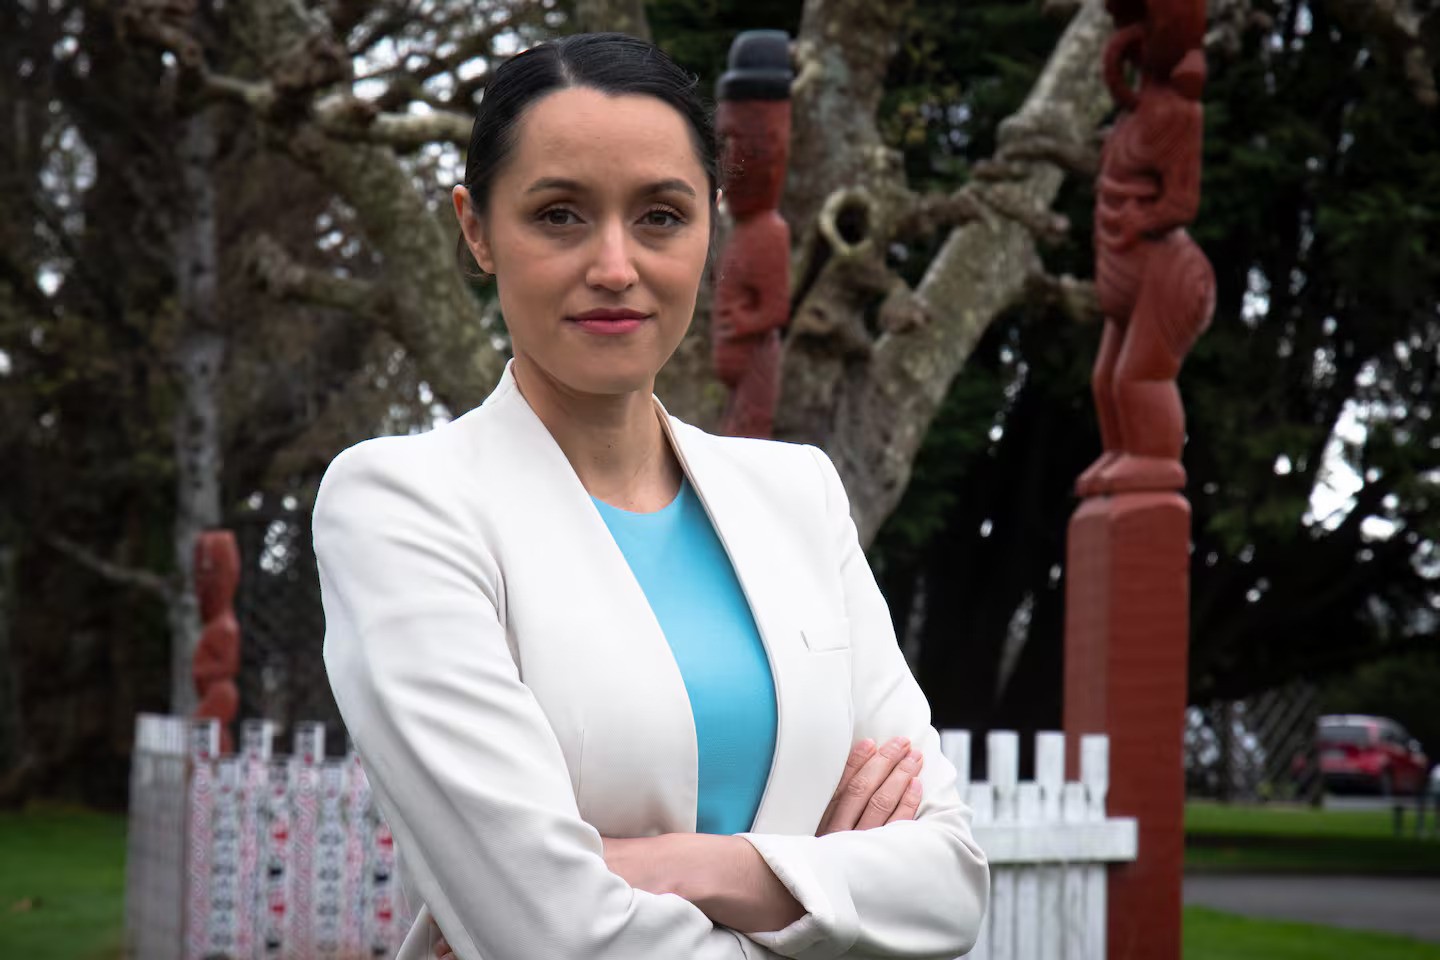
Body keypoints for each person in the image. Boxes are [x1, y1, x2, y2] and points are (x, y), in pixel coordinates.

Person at [314, 32, 989, 960]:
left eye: (661, 216)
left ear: (709, 224)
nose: (616, 266)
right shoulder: (403, 506)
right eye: (559, 215)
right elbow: (554, 935)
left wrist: (673, 865)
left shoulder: (797, 495)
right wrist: (814, 885)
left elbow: (950, 882)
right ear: (475, 228)